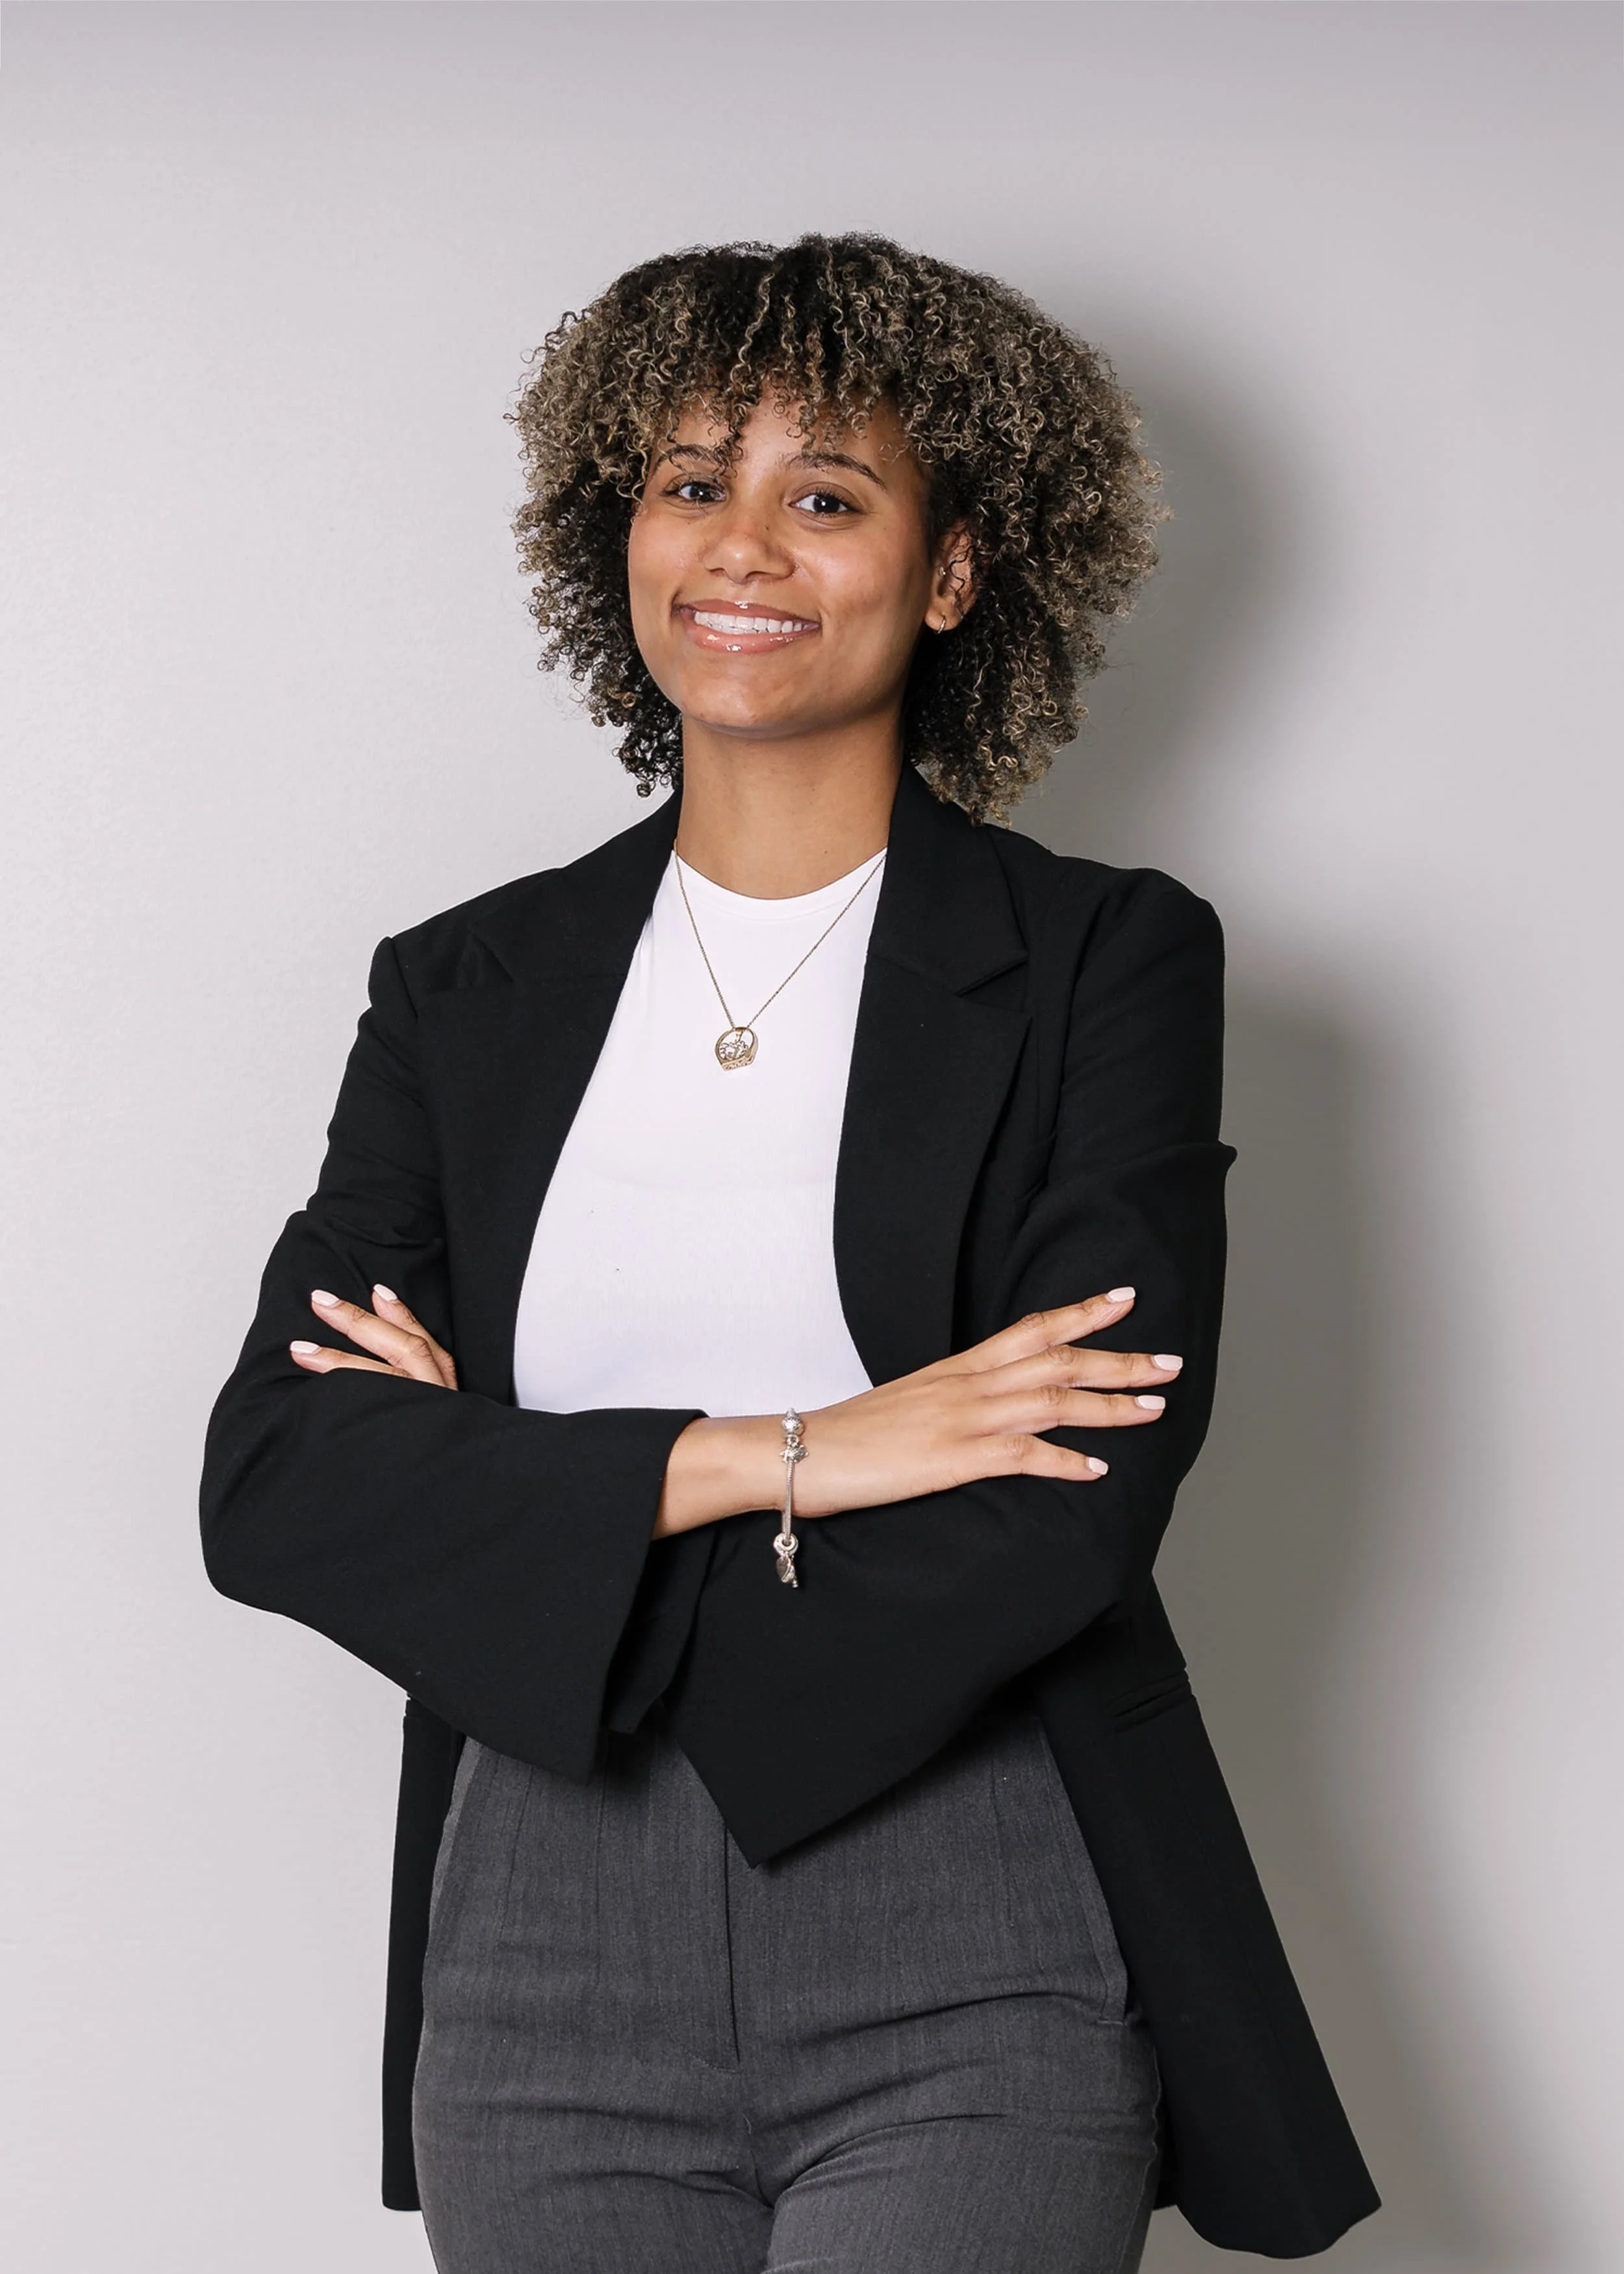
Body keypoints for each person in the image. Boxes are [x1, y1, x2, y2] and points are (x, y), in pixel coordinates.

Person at [201, 233, 1378, 2272]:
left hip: (968, 1901)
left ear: (949, 571)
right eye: (685, 482)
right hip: (532, 1945)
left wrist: (527, 1525)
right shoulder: (463, 987)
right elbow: (279, 1482)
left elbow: (1069, 1486)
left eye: (823, 494)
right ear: (617, 535)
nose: (739, 546)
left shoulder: (1104, 957)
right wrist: (802, 1448)